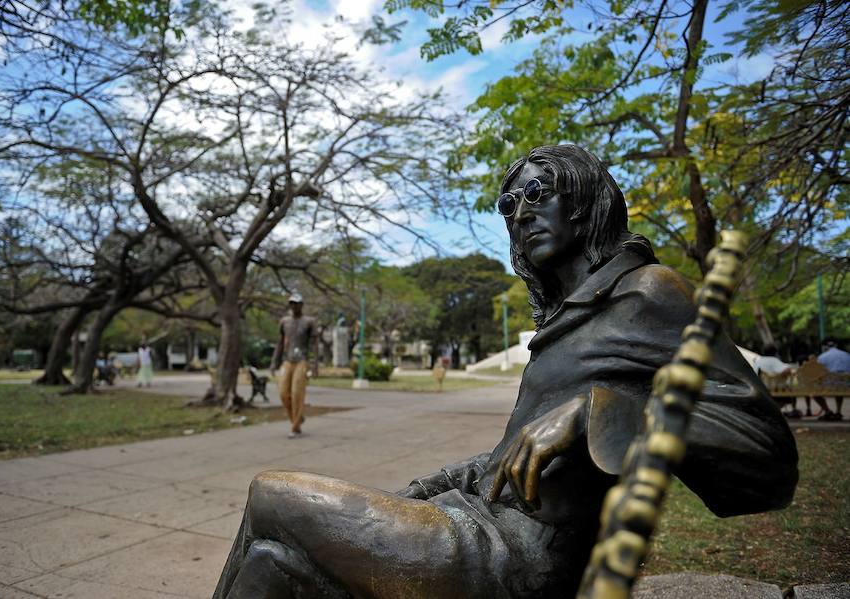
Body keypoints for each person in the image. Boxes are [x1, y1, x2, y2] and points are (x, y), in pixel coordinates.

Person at [213, 145, 798, 599]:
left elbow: (767, 457)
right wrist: (437, 483)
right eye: (509, 207)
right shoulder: (564, 323)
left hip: (522, 561)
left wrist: (598, 414)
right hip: (479, 520)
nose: (520, 215)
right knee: (274, 564)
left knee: (271, 495)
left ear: (583, 198)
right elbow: (518, 458)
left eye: (537, 195)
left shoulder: (650, 292)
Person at [270, 293, 319, 438]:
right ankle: (297, 418)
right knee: (283, 393)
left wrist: (315, 365)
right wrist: (274, 362)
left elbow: (315, 345)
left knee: (297, 393)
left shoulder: (309, 321)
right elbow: (280, 343)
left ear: (301, 305)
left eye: (296, 303)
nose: (294, 306)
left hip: (302, 360)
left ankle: (295, 427)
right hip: (288, 360)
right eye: (291, 303)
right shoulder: (284, 321)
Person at [754, 345, 798, 418]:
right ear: (775, 352)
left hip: (761, 386)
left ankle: (772, 410)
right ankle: (792, 410)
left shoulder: (758, 361)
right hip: (774, 387)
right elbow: (786, 370)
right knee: (793, 389)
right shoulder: (774, 361)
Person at [813, 341, 849, 420]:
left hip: (829, 385)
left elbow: (817, 371)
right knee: (840, 387)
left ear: (825, 347)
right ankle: (838, 411)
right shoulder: (846, 355)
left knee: (813, 392)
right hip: (846, 385)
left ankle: (827, 411)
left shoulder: (822, 356)